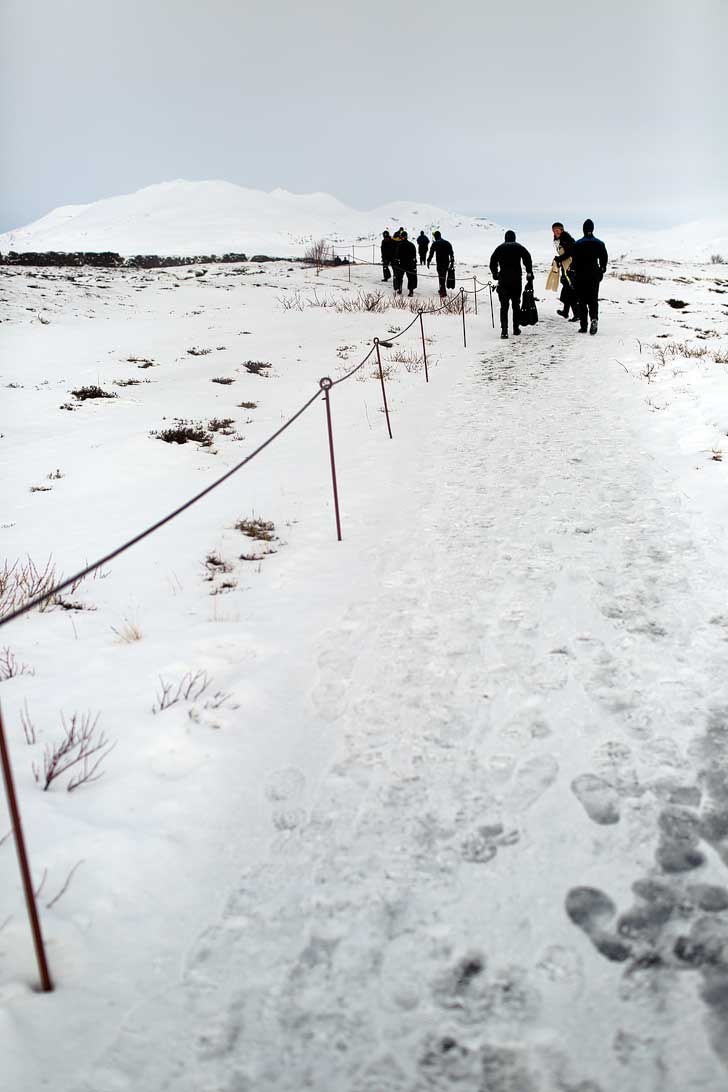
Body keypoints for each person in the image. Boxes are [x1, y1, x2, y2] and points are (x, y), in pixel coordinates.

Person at [489, 230, 533, 339]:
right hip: (516, 280)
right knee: (516, 305)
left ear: (505, 238)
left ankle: (504, 331)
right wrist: (529, 272)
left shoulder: (500, 248)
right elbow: (528, 259)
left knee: (504, 306)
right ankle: (516, 328)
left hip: (503, 280)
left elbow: (492, 262)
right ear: (514, 238)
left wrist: (495, 274)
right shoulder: (519, 247)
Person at [570, 219, 608, 335]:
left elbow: (574, 260)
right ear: (592, 229)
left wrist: (572, 272)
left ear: (583, 229)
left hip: (581, 275)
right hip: (594, 274)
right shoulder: (599, 243)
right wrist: (602, 269)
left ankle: (583, 326)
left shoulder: (578, 243)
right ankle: (594, 318)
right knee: (593, 299)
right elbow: (604, 258)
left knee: (581, 301)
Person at [551, 222, 579, 320]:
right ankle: (566, 312)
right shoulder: (557, 240)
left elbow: (570, 253)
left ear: (562, 230)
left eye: (557, 230)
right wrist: (559, 260)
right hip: (566, 266)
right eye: (554, 231)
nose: (555, 232)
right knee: (567, 288)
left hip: (571, 267)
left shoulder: (566, 239)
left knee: (569, 290)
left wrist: (560, 259)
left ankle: (577, 314)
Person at [427, 230, 455, 298]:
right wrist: (452, 262)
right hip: (446, 262)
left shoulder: (435, 243)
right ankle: (442, 289)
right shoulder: (447, 243)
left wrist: (428, 261)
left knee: (441, 276)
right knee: (443, 275)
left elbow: (431, 253)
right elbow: (451, 253)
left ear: (436, 236)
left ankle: (443, 291)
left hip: (439, 262)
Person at [393, 230, 418, 296]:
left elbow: (396, 255)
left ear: (401, 237)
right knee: (411, 278)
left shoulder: (399, 245)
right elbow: (414, 256)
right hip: (410, 264)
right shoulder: (412, 245)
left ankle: (399, 289)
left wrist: (396, 262)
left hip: (401, 264)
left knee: (399, 277)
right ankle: (411, 291)